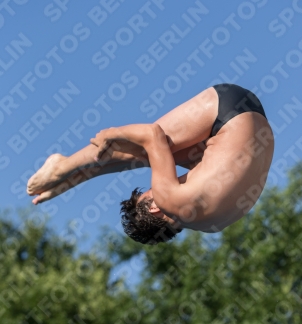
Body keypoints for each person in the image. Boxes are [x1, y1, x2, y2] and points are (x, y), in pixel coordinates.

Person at [27, 84, 274, 245]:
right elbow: (152, 134)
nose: (156, 184)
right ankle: (63, 168)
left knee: (152, 157)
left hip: (255, 120)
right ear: (155, 208)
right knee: (145, 150)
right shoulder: (171, 202)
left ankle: (71, 177)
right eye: (150, 191)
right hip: (228, 107)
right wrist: (112, 133)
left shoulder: (210, 225)